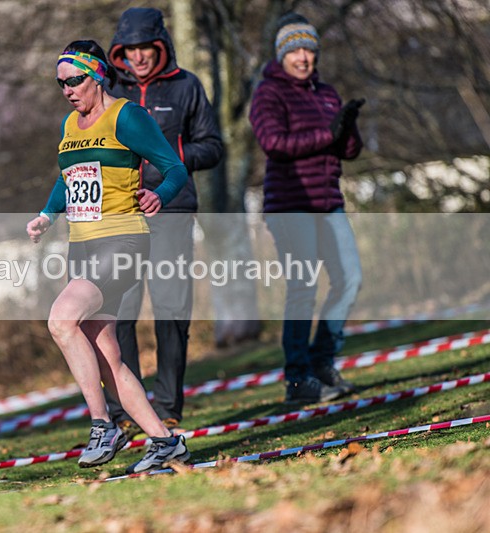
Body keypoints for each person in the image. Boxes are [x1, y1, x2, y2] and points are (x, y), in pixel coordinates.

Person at [26, 40, 192, 474]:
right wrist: (47, 214)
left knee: (61, 321)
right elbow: (69, 178)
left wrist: (159, 195)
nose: (67, 89)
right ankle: (165, 441)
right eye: (60, 83)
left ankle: (104, 424)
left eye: (74, 80)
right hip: (81, 246)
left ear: (97, 74)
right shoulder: (69, 125)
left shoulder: (128, 117)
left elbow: (175, 169)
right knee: (107, 357)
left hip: (122, 242)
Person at [103, 7, 224, 438]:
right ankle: (128, 410)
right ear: (120, 51)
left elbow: (212, 148)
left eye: (145, 48)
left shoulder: (187, 86)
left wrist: (169, 152)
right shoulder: (109, 90)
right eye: (129, 49)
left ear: (161, 46)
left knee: (172, 310)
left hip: (170, 211)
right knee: (120, 314)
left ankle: (169, 408)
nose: (137, 57)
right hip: (119, 216)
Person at [248, 13, 364, 405]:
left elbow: (348, 150)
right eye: (295, 50)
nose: (303, 57)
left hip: (329, 202)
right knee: (303, 287)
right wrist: (326, 134)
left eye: (309, 50)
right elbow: (273, 143)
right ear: (282, 55)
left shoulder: (327, 93)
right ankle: (298, 378)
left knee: (349, 279)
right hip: (290, 206)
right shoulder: (268, 93)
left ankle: (322, 362)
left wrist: (346, 127)